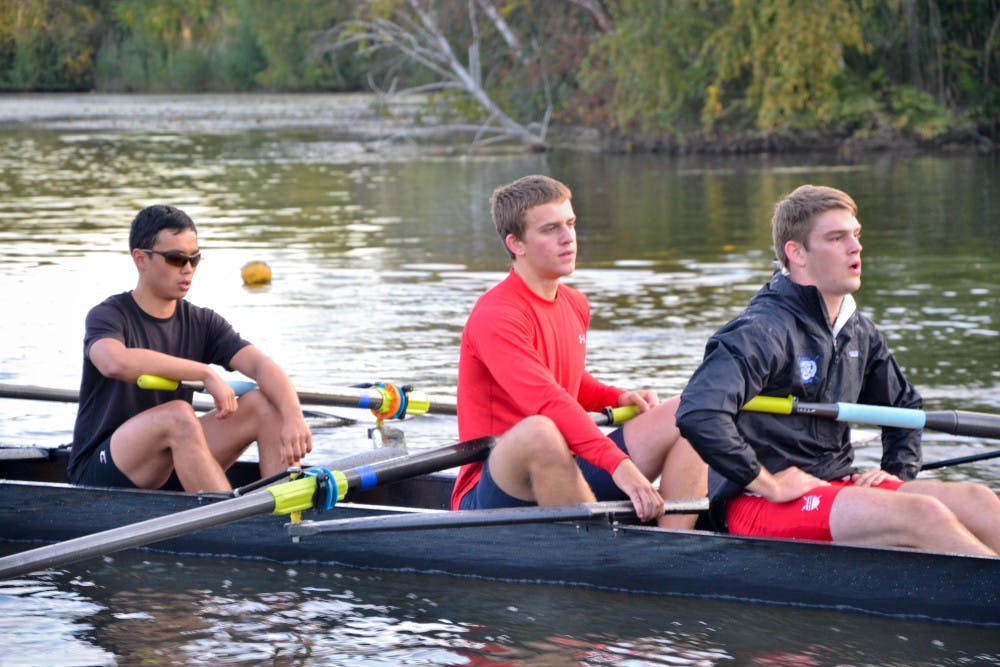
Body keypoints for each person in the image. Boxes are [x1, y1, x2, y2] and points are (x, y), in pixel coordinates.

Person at [676, 184, 1000, 556]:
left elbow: (905, 408)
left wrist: (897, 472)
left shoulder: (857, 330)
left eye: (856, 235)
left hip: (836, 485)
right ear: (796, 253)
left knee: (981, 500)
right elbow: (699, 411)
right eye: (837, 237)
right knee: (925, 513)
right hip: (759, 503)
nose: (856, 247)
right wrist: (768, 484)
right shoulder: (761, 330)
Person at [450, 174, 707, 528]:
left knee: (692, 408)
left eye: (570, 224)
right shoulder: (496, 316)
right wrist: (621, 467)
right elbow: (547, 399)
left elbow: (567, 379)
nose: (568, 238)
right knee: (540, 429)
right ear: (517, 244)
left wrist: (616, 397)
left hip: (565, 469)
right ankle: (599, 557)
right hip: (493, 493)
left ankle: (673, 552)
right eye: (550, 229)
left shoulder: (574, 304)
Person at [68, 205, 312, 493]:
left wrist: (294, 415)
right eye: (175, 258)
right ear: (140, 259)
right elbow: (114, 362)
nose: (187, 269)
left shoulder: (202, 321)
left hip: (171, 461)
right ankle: (232, 527)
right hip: (103, 471)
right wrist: (204, 373)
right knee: (179, 415)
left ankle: (285, 517)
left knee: (264, 404)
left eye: (194, 258)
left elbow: (261, 366)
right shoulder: (108, 315)